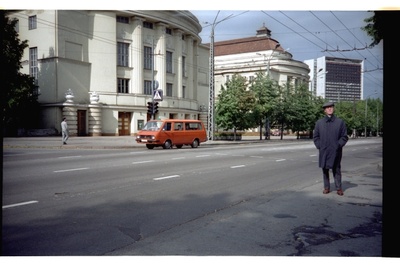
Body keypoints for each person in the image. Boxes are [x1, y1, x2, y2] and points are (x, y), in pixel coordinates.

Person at [313, 102, 348, 196]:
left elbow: (344, 137)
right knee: (325, 169)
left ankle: (339, 188)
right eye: (327, 108)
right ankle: (326, 187)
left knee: (336, 169)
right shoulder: (319, 123)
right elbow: (316, 137)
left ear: (333, 109)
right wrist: (319, 145)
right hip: (324, 150)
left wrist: (338, 145)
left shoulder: (340, 122)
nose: (329, 109)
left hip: (336, 151)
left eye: (331, 107)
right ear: (324, 110)